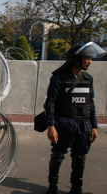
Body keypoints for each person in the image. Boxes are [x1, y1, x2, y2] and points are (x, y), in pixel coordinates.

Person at [44, 42, 106, 194]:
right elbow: (50, 103)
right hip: (64, 124)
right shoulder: (59, 78)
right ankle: (53, 186)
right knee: (58, 156)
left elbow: (91, 104)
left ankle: (76, 188)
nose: (90, 61)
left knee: (80, 158)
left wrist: (94, 126)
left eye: (91, 58)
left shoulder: (88, 78)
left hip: (83, 126)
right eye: (87, 58)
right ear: (77, 59)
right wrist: (51, 126)